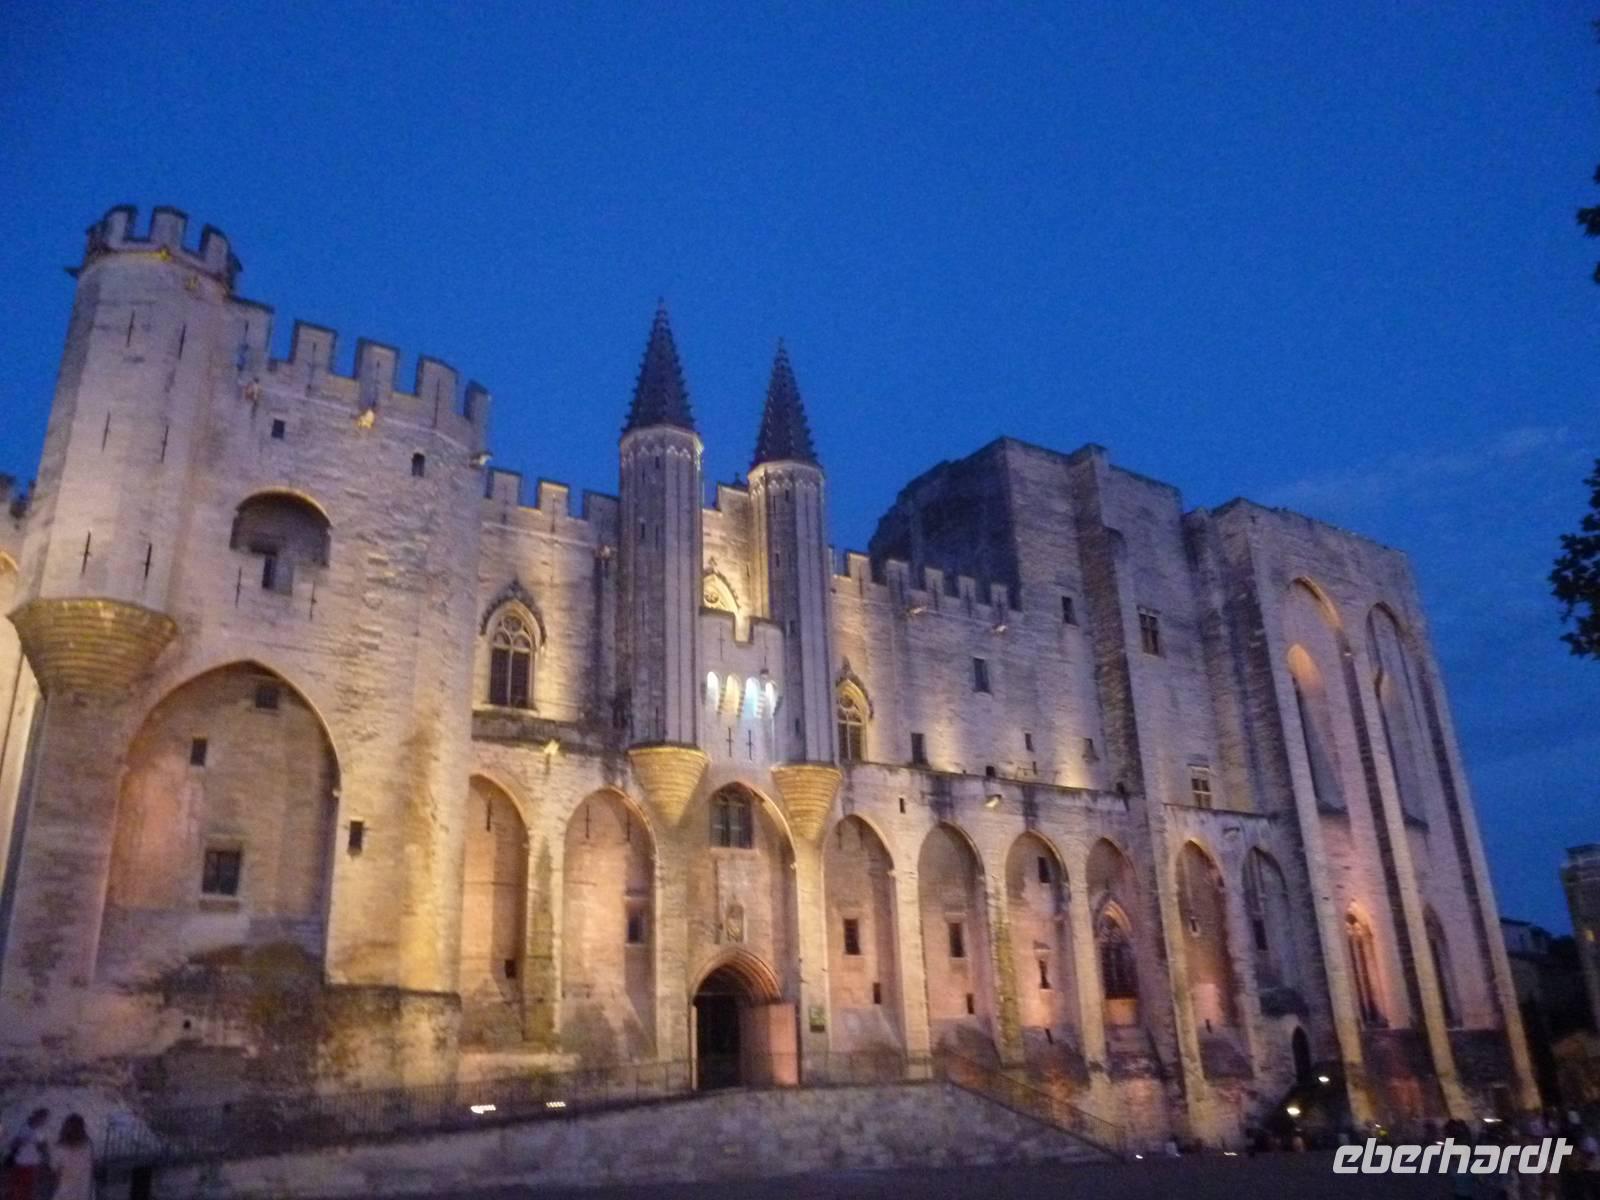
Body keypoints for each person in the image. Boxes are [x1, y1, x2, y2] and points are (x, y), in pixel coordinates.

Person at [2, 1108, 51, 1200]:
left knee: (27, 1192)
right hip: (20, 1164)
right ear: (36, 1116)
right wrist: (22, 1141)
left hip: (32, 1166)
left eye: (45, 1120)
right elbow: (11, 1144)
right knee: (15, 1190)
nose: (43, 1122)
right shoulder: (22, 1127)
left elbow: (43, 1149)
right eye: (42, 1118)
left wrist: (44, 1153)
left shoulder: (40, 1133)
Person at [51, 1114, 94, 1200]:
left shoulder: (60, 1148)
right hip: (83, 1188)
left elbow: (56, 1173)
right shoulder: (88, 1145)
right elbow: (91, 1166)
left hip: (65, 1190)